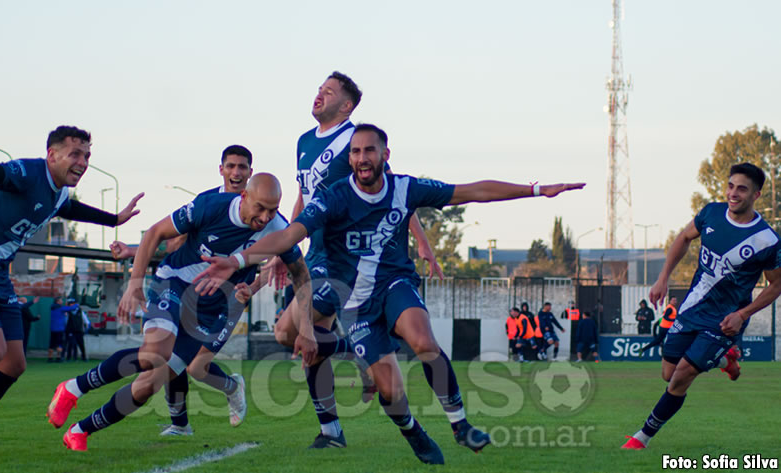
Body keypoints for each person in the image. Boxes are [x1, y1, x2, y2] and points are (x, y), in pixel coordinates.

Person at [194, 124, 584, 464]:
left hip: (395, 283)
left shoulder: (405, 188)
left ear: (385, 155)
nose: (362, 157)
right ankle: (412, 430)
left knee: (422, 339)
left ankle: (461, 424)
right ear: (350, 159)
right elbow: (291, 233)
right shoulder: (332, 197)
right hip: (355, 303)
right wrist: (239, 257)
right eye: (356, 152)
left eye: (369, 150)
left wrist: (537, 189)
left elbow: (471, 191)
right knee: (390, 392)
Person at [48, 174, 312, 452]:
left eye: (273, 209)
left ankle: (80, 430)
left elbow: (302, 276)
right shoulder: (210, 206)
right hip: (175, 282)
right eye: (260, 207)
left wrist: (305, 328)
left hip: (211, 309)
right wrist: (135, 283)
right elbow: (155, 233)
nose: (265, 216)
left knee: (148, 384)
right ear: (244, 196)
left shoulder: (278, 228)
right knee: (155, 353)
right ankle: (73, 388)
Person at [0, 125, 143, 460]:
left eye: (87, 156)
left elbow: (73, 210)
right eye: (75, 154)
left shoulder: (58, 193)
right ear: (52, 155)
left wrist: (114, 219)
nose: (83, 162)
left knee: (13, 364)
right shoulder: (28, 173)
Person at [279, 72, 441, 449]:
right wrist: (287, 244)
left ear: (347, 105)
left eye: (328, 92)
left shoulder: (354, 142)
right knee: (292, 334)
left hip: (345, 261)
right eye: (319, 90)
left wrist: (421, 241)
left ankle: (338, 414)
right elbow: (305, 196)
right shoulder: (305, 141)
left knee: (297, 333)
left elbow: (388, 194)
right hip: (313, 253)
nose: (319, 96)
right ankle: (338, 412)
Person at [622, 163, 781, 450]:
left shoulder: (767, 240)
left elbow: (777, 284)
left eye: (741, 189)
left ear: (756, 195)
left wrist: (743, 315)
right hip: (693, 308)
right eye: (730, 186)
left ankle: (641, 438)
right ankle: (724, 361)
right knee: (668, 374)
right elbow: (683, 238)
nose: (733, 193)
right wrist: (662, 278)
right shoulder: (711, 213)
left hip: (725, 320)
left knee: (681, 376)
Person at [108, 144, 254, 436]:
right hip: (192, 294)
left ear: (251, 172)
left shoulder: (262, 209)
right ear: (221, 169)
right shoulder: (208, 203)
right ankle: (180, 424)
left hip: (227, 301)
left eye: (242, 167)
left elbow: (278, 255)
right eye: (231, 166)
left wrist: (253, 287)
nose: (236, 172)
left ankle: (232, 387)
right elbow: (175, 244)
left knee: (197, 367)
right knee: (170, 361)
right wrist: (133, 251)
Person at [49, 297, 78, 363]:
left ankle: (50, 358)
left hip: (52, 328)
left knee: (51, 344)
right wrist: (76, 304)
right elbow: (71, 308)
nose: (62, 301)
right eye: (61, 300)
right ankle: (58, 358)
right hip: (59, 329)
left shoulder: (53, 308)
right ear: (57, 301)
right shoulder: (60, 308)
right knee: (59, 344)